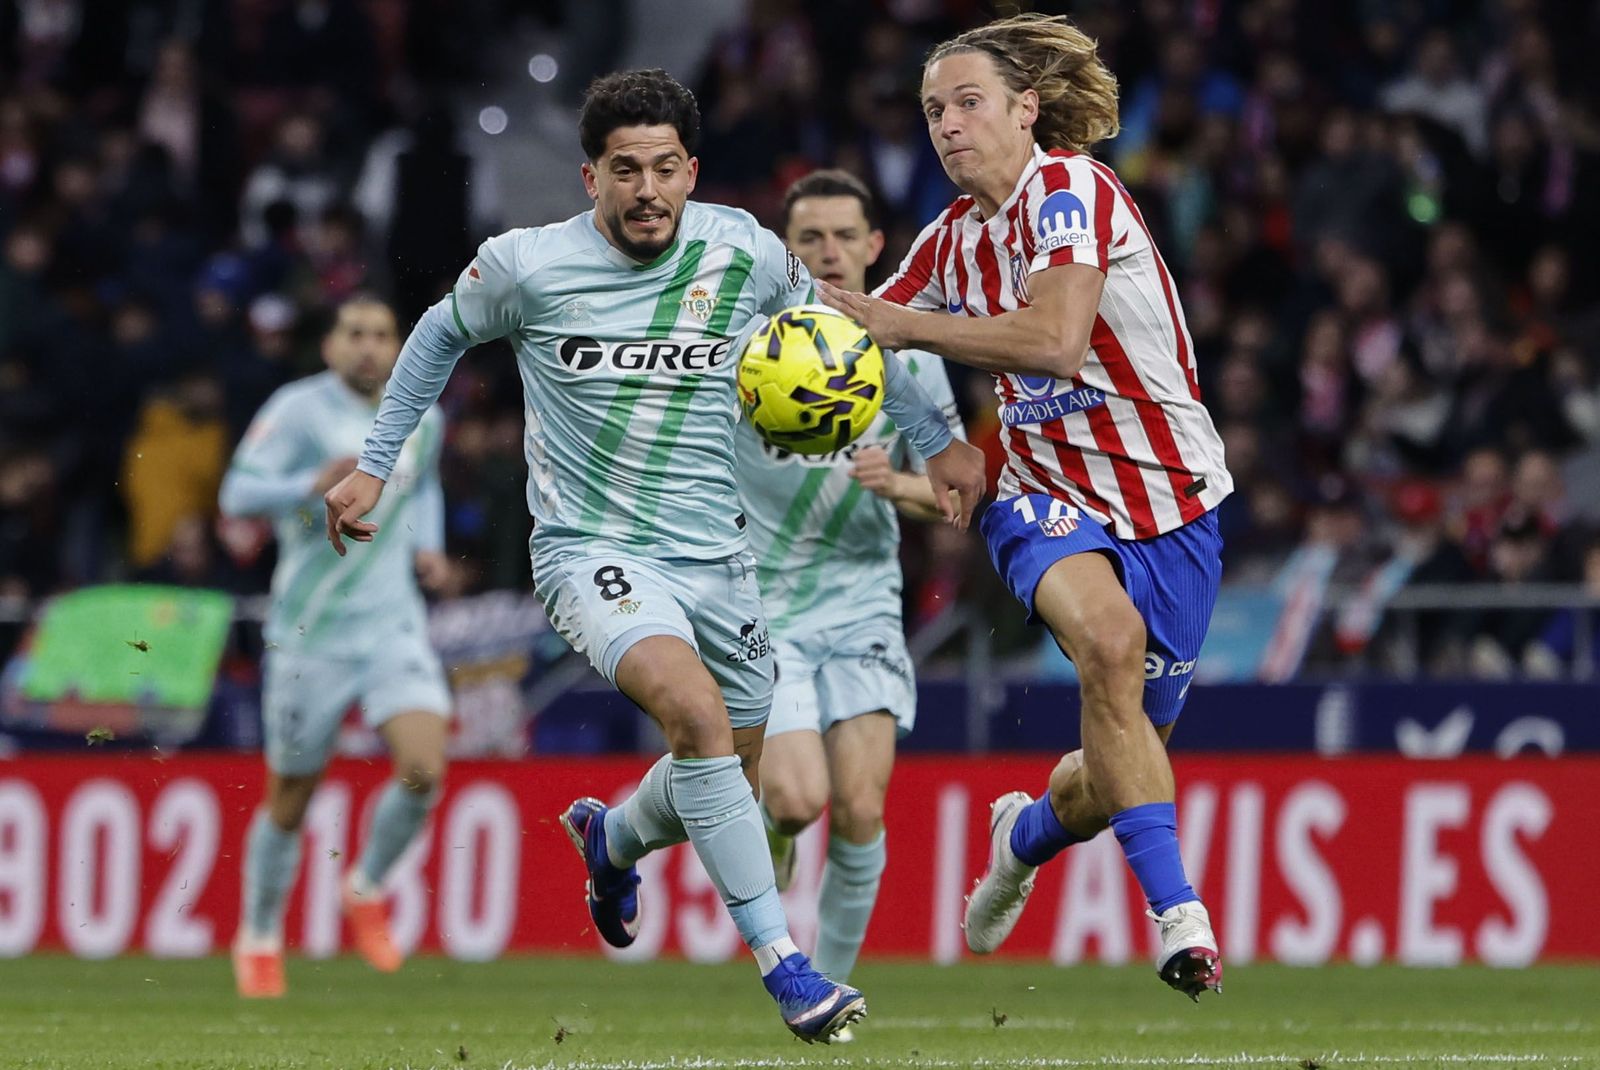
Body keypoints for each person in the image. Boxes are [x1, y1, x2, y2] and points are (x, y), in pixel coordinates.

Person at [323, 69, 986, 1042]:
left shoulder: (744, 252)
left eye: (664, 169)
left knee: (730, 756)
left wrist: (938, 439)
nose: (646, 191)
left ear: (692, 172)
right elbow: (435, 335)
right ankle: (784, 963)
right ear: (590, 176)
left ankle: (612, 835)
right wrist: (375, 467)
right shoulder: (526, 265)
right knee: (694, 709)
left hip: (718, 558)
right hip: (591, 551)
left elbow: (856, 331)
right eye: (625, 170)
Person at [816, 13, 1231, 1000]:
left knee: (1107, 770)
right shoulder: (948, 240)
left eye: (967, 103)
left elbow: (1052, 339)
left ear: (1024, 109)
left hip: (1172, 503)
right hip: (1039, 498)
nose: (948, 126)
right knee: (1107, 642)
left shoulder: (1070, 190)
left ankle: (1023, 834)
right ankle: (1178, 913)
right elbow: (860, 332)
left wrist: (895, 320)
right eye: (931, 112)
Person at [741, 169, 966, 1038]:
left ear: (876, 248)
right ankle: (774, 832)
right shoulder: (751, 350)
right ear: (785, 252)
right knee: (798, 801)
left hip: (864, 602)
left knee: (864, 807)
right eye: (809, 239)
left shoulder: (908, 357)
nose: (827, 252)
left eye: (843, 237)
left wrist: (899, 484)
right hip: (764, 609)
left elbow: (957, 491)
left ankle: (827, 999)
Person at [220, 295, 455, 998]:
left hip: (393, 626)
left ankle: (366, 884)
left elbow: (427, 486)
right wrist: (308, 483)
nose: (368, 347)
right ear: (329, 345)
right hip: (308, 633)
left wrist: (432, 550)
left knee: (423, 767)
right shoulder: (298, 410)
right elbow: (235, 494)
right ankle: (260, 934)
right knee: (291, 795)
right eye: (354, 333)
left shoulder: (423, 414)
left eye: (382, 335)